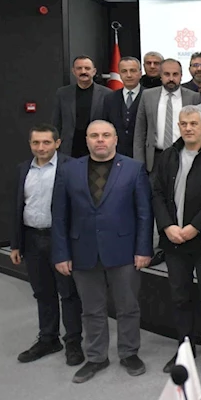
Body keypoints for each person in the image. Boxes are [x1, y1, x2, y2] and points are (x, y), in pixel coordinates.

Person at [51, 120, 153, 383]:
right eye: (94, 135)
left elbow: (144, 214)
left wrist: (143, 249)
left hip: (124, 250)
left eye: (106, 135)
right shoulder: (69, 170)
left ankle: (129, 353)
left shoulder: (133, 169)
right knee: (91, 309)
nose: (100, 140)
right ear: (86, 140)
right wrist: (61, 253)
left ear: (115, 139)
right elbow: (59, 215)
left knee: (128, 307)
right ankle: (96, 357)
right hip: (82, 250)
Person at [150, 106, 201, 376]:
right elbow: (157, 193)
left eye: (193, 123)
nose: (188, 128)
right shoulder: (167, 156)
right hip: (173, 239)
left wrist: (195, 227)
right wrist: (167, 226)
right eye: (183, 123)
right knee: (180, 298)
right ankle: (185, 349)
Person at [11, 124, 83, 366]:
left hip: (60, 239)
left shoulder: (71, 167)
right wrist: (16, 244)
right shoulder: (23, 169)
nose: (41, 147)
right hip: (32, 238)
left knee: (69, 293)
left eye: (46, 142)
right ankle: (48, 339)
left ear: (57, 143)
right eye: (36, 143)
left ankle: (73, 342)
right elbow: (17, 207)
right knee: (42, 292)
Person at [133, 59, 201, 172]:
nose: (171, 79)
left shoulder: (193, 97)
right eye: (167, 74)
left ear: (181, 76)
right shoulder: (148, 96)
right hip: (155, 158)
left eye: (175, 74)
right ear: (160, 75)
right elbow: (140, 132)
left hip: (184, 155)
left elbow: (199, 131)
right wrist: (139, 164)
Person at [52, 55, 112, 157]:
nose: (83, 71)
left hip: (97, 146)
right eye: (79, 68)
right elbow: (56, 122)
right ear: (73, 71)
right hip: (69, 148)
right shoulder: (62, 93)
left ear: (94, 71)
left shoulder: (107, 94)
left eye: (87, 68)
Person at [101, 56, 143, 158]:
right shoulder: (110, 98)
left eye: (133, 71)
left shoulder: (149, 96)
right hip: (117, 154)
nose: (129, 75)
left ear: (140, 73)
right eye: (124, 71)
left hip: (142, 153)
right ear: (119, 74)